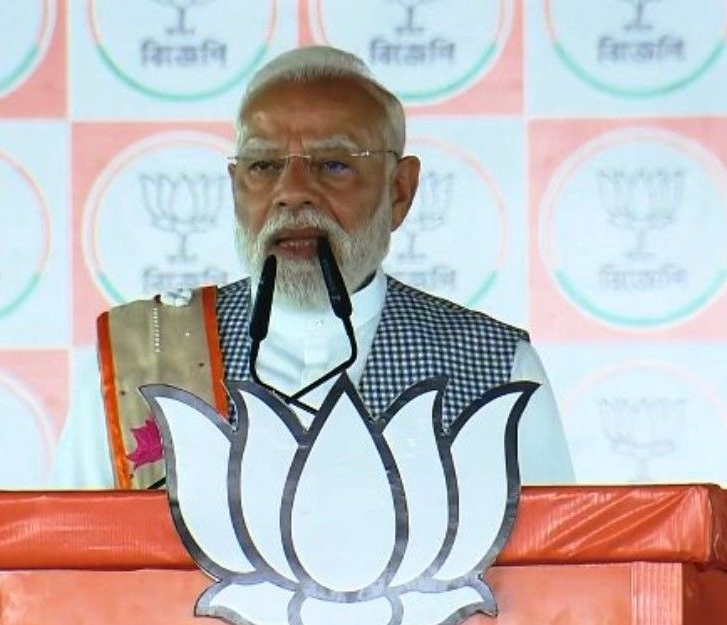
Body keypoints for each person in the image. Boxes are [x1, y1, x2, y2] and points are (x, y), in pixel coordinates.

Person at [51, 46, 574, 489]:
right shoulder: (141, 354)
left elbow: (555, 591)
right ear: (237, 188)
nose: (293, 192)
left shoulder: (498, 369)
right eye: (263, 165)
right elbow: (67, 578)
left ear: (400, 191)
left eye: (333, 164)